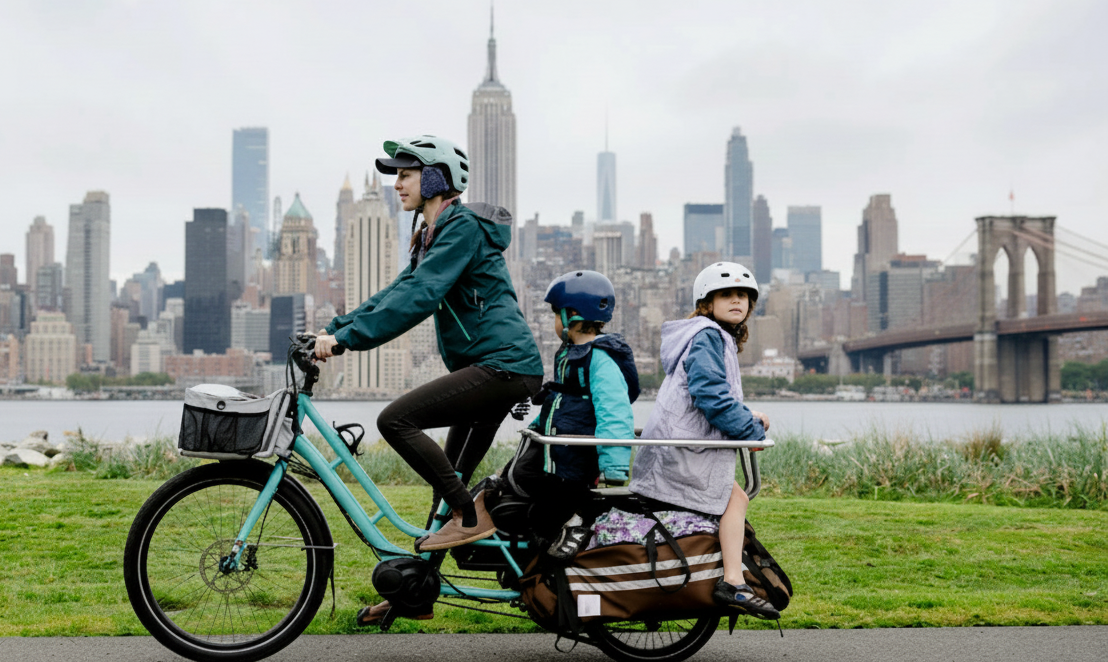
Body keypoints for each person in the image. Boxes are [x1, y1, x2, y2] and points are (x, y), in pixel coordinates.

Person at [313, 135, 543, 588]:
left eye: (406, 174)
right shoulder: (430, 235)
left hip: (504, 366)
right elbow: (397, 292)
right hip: (490, 369)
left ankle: (470, 516)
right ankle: (416, 592)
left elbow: (420, 296)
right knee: (448, 484)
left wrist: (345, 343)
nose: (397, 184)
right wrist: (336, 328)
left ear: (436, 178)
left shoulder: (461, 228)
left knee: (396, 420)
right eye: (396, 175)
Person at [628, 261, 780, 620]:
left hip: (677, 450)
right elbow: (710, 395)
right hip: (681, 455)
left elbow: (709, 395)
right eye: (725, 294)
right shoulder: (708, 336)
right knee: (736, 498)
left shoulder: (708, 336)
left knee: (735, 498)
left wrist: (748, 416)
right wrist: (751, 431)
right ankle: (733, 582)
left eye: (743, 295)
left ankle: (732, 578)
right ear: (706, 302)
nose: (736, 301)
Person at [509, 270, 639, 559]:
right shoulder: (570, 355)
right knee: (518, 478)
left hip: (577, 464)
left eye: (556, 314)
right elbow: (559, 403)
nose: (554, 322)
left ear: (572, 315)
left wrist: (614, 470)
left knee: (545, 509)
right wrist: (536, 429)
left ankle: (578, 521)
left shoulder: (600, 360)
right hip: (560, 455)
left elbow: (615, 414)